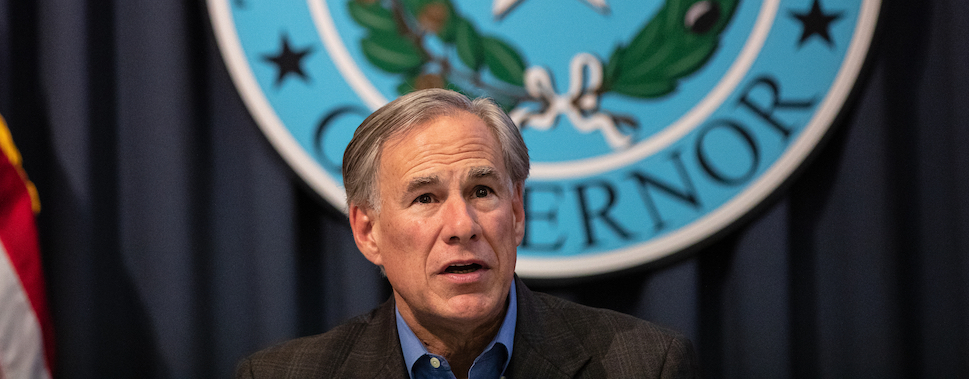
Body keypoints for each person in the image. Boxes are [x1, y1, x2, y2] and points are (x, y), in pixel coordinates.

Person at [237, 88, 697, 378]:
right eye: (425, 198)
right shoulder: (280, 374)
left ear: (517, 211)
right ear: (367, 230)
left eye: (482, 190)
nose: (462, 226)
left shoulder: (646, 365)